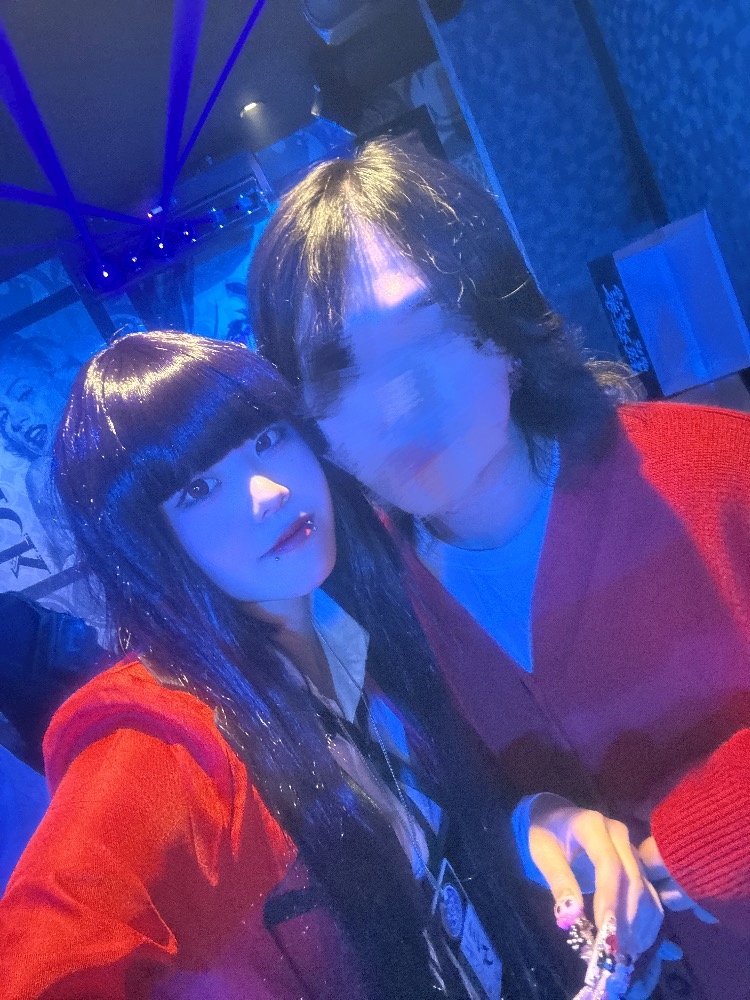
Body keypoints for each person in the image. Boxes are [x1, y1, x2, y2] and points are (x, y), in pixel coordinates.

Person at [247, 139, 750, 999]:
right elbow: (438, 810)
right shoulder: (358, 612)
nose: (399, 404)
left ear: (504, 333)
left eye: (428, 332)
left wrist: (698, 849)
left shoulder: (716, 474)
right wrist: (530, 824)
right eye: (340, 371)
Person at [0, 331, 587, 1000]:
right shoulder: (164, 742)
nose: (269, 491)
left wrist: (542, 825)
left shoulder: (359, 615)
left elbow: (437, 850)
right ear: (147, 541)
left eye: (267, 439)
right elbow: (41, 967)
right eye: (199, 488)